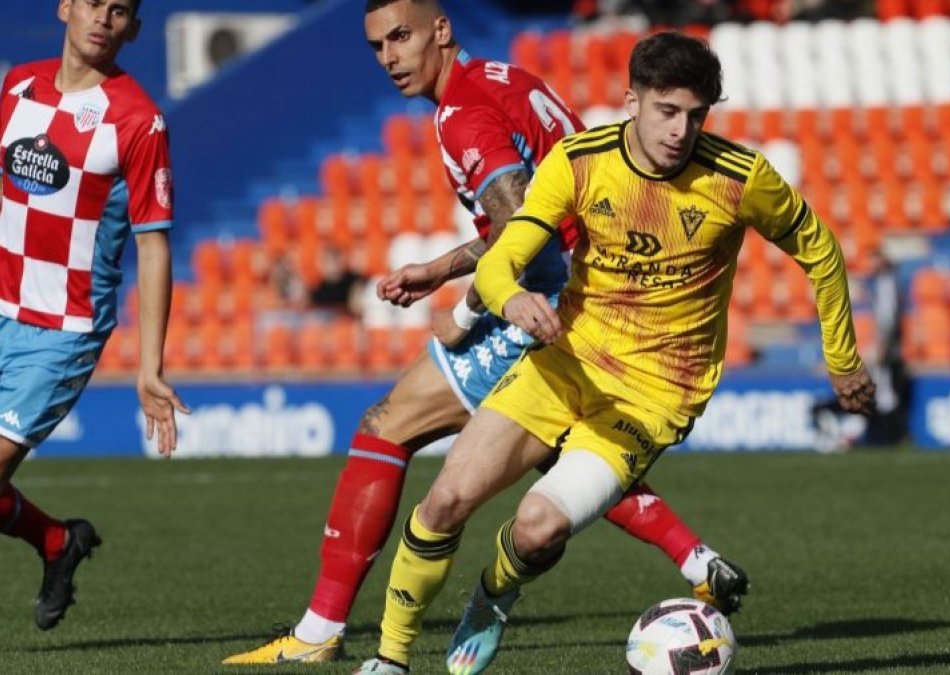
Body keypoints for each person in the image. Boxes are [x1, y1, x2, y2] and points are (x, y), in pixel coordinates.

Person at [222, 2, 747, 665]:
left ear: (441, 29)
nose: (389, 57)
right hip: (592, 284)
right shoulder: (507, 79)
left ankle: (323, 633)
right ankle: (696, 559)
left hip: (546, 295)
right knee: (563, 450)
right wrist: (435, 268)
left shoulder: (462, 112)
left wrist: (467, 308)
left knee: (390, 425)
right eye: (377, 46)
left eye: (402, 37)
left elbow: (518, 226)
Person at [355, 32, 876, 675]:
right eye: (666, 111)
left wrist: (843, 357)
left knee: (534, 529)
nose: (681, 130)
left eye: (696, 114)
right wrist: (511, 298)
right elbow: (503, 259)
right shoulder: (580, 162)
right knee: (443, 504)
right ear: (632, 100)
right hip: (564, 363)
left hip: (652, 397)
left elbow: (820, 249)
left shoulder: (740, 179)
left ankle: (492, 598)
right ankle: (390, 659)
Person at [0, 0, 188, 630]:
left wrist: (149, 367)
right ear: (65, 8)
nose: (103, 19)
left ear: (133, 28)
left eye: (120, 11)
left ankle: (56, 542)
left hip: (61, 332)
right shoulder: (16, 85)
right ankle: (57, 542)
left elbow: (153, 242)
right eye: (93, 3)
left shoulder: (138, 120)